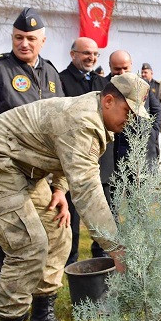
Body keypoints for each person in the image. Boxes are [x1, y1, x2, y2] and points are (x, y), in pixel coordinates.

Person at [0, 72, 148, 321]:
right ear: (108, 100)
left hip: (26, 167)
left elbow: (65, 156)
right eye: (128, 112)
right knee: (28, 245)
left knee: (57, 231)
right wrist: (117, 248)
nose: (130, 120)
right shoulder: (82, 121)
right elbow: (87, 190)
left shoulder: (96, 115)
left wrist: (59, 188)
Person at [0, 7, 66, 319]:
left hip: (38, 171)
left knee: (45, 235)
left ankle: (32, 303)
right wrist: (7, 137)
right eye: (18, 37)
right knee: (2, 240)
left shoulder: (52, 73)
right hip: (4, 166)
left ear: (42, 40)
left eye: (30, 38)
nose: (24, 43)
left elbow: (60, 123)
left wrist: (60, 184)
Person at [59, 37, 114, 265]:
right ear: (73, 54)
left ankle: (101, 251)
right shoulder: (60, 80)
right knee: (71, 210)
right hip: (74, 156)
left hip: (102, 156)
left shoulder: (104, 84)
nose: (91, 58)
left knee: (103, 206)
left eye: (94, 54)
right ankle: (69, 256)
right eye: (86, 53)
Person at [107, 50, 161, 166]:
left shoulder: (142, 84)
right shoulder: (105, 85)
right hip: (117, 146)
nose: (122, 72)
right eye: (117, 69)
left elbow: (156, 108)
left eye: (125, 68)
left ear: (131, 64)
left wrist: (153, 131)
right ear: (110, 66)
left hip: (144, 144)